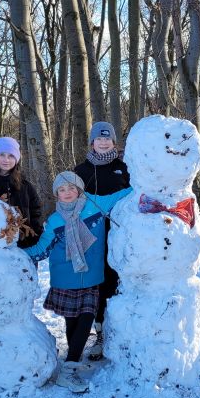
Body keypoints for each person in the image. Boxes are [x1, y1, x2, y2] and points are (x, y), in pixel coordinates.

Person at [25, 171, 131, 393]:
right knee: (72, 322)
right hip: (65, 278)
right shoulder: (54, 220)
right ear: (56, 194)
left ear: (80, 189)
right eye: (61, 190)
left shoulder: (96, 204)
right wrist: (12, 253)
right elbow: (40, 250)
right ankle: (72, 361)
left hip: (91, 276)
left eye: (71, 188)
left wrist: (151, 182)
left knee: (87, 317)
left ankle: (68, 370)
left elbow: (126, 193)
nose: (67, 193)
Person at [73, 122, 130, 360]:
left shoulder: (125, 168)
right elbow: (70, 201)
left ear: (114, 143)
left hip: (120, 235)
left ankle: (119, 329)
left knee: (116, 281)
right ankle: (99, 333)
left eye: (108, 139)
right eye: (99, 139)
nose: (103, 142)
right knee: (96, 283)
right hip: (91, 237)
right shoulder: (81, 171)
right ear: (92, 142)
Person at [0, 136, 44, 249]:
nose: (6, 160)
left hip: (24, 247)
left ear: (16, 159)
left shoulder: (26, 186)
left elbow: (36, 212)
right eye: (1, 154)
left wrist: (34, 237)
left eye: (11, 155)